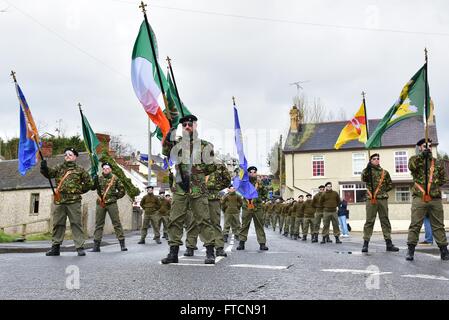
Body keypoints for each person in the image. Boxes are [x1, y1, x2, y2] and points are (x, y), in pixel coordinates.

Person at [161, 114, 217, 264]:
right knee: (175, 220)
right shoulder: (177, 144)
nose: (187, 127)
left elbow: (211, 166)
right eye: (184, 125)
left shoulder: (205, 145)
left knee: (203, 220)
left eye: (189, 125)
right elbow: (166, 151)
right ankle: (173, 252)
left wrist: (196, 168)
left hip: (197, 188)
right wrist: (168, 134)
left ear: (195, 126)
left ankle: (210, 252)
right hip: (179, 187)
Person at [40, 147, 93, 256]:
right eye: (66, 155)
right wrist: (44, 167)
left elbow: (89, 184)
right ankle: (55, 247)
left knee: (76, 224)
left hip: (74, 201)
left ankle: (79, 247)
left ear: (75, 157)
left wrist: (78, 191)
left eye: (70, 154)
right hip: (60, 200)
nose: (67, 156)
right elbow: (49, 174)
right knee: (58, 224)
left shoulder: (80, 169)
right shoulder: (59, 167)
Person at [406, 139, 449, 261]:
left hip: (434, 198)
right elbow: (411, 167)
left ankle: (444, 250)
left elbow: (444, 178)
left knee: (438, 225)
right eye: (425, 146)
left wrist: (434, 185)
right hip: (419, 198)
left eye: (430, 146)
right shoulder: (415, 159)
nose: (428, 148)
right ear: (420, 147)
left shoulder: (437, 162)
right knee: (415, 224)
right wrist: (421, 157)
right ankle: (410, 250)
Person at [184, 163, 231, 257]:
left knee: (215, 222)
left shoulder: (219, 165)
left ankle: (219, 248)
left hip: (212, 196)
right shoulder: (194, 163)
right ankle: (190, 246)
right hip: (197, 196)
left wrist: (215, 187)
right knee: (194, 222)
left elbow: (227, 180)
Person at [361, 153, 399, 253]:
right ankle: (365, 244)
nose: (376, 160)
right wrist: (367, 168)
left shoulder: (384, 172)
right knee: (369, 221)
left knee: (385, 221)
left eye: (378, 158)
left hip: (382, 199)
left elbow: (390, 185)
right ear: (370, 160)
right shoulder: (367, 171)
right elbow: (363, 178)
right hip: (371, 199)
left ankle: (389, 244)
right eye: (374, 159)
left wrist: (382, 191)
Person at [91, 162, 127, 252]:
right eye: (104, 168)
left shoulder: (114, 178)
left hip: (111, 203)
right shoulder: (99, 178)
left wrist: (115, 196)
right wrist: (93, 180)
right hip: (101, 203)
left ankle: (122, 244)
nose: (105, 170)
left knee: (116, 223)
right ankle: (96, 245)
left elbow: (122, 190)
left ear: (110, 169)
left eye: (107, 168)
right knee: (99, 224)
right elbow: (92, 187)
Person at [236, 166, 269, 251]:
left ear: (256, 173)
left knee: (259, 225)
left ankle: (262, 244)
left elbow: (265, 194)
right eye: (250, 172)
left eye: (254, 172)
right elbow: (238, 186)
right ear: (248, 173)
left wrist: (260, 199)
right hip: (247, 206)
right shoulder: (244, 182)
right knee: (244, 225)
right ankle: (241, 243)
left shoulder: (260, 183)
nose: (252, 173)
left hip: (257, 207)